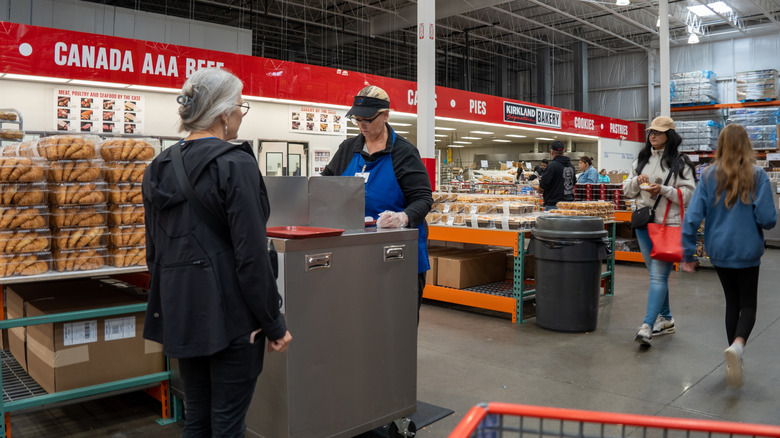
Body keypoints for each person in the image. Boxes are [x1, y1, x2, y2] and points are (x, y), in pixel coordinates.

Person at [142, 67, 292, 436]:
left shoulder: (157, 167)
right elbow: (252, 256)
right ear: (224, 113)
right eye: (241, 106)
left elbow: (153, 253)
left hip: (182, 313)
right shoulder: (235, 164)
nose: (242, 113)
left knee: (197, 417)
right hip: (233, 321)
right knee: (228, 422)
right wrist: (273, 323)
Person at [322, 85, 433, 321]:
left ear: (385, 115)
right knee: (359, 321)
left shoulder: (404, 152)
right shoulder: (348, 149)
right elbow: (325, 186)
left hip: (397, 253)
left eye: (368, 120)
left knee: (396, 321)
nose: (362, 125)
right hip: (354, 253)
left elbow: (423, 199)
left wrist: (403, 217)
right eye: (357, 119)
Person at [681, 124, 777, 388]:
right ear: (747, 144)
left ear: (720, 145)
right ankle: (737, 347)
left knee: (731, 303)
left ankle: (733, 356)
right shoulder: (757, 176)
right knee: (748, 304)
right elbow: (768, 219)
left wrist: (688, 252)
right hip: (747, 251)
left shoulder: (709, 176)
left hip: (719, 250)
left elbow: (692, 218)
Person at [623, 116, 696, 346]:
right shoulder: (641, 160)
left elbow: (689, 195)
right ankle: (666, 319)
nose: (653, 135)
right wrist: (637, 181)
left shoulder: (680, 162)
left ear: (669, 136)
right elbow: (626, 190)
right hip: (645, 224)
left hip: (669, 225)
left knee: (657, 275)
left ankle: (647, 325)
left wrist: (663, 189)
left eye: (659, 132)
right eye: (651, 132)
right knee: (656, 274)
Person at [538, 141, 576, 209]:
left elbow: (542, 186)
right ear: (563, 151)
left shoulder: (552, 166)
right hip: (569, 204)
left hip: (553, 204)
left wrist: (538, 190)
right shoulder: (571, 166)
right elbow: (573, 183)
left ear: (551, 151)